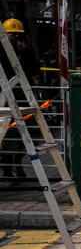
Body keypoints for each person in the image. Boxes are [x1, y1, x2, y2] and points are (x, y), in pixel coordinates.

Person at [0, 18, 41, 182]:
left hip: (23, 100)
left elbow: (34, 70)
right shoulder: (1, 52)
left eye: (18, 35)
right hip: (5, 100)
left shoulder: (24, 51)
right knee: (8, 135)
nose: (15, 38)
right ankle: (8, 169)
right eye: (12, 35)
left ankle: (17, 164)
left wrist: (26, 51)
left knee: (26, 133)